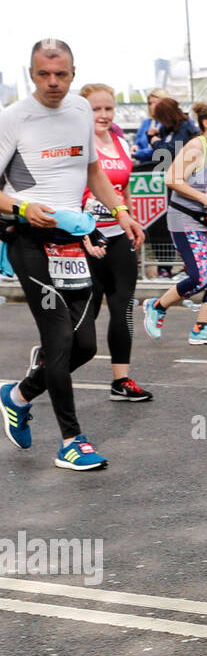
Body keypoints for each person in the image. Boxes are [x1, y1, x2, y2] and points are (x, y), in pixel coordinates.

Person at [0, 39, 145, 470]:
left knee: (83, 345)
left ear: (73, 73)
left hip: (72, 242)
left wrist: (120, 211)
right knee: (59, 339)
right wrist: (25, 207)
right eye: (44, 74)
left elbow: (93, 171)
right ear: (31, 74)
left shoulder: (81, 111)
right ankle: (71, 440)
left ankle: (18, 394)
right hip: (28, 240)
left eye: (61, 74)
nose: (52, 82)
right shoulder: (13, 118)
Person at [141, 102, 207, 345]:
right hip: (186, 221)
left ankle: (201, 328)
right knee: (201, 277)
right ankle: (156, 306)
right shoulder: (196, 146)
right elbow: (172, 178)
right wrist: (203, 197)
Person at [79, 83, 153, 401]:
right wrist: (81, 235)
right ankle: (47, 360)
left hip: (117, 235)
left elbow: (123, 190)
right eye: (96, 109)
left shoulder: (120, 141)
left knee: (122, 308)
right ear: (83, 111)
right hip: (84, 238)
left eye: (109, 108)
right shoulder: (77, 144)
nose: (104, 115)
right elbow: (69, 194)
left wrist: (131, 221)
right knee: (88, 312)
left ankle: (120, 381)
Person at [137, 96, 197, 168]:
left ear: (166, 117)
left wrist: (156, 142)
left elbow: (170, 152)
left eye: (160, 118)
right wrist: (152, 136)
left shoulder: (185, 128)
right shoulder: (170, 127)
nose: (160, 122)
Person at [131, 88, 168, 159]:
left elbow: (164, 150)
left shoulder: (170, 123)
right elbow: (137, 143)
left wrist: (139, 153)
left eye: (155, 103)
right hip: (144, 166)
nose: (152, 106)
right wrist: (134, 147)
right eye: (150, 103)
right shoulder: (145, 123)